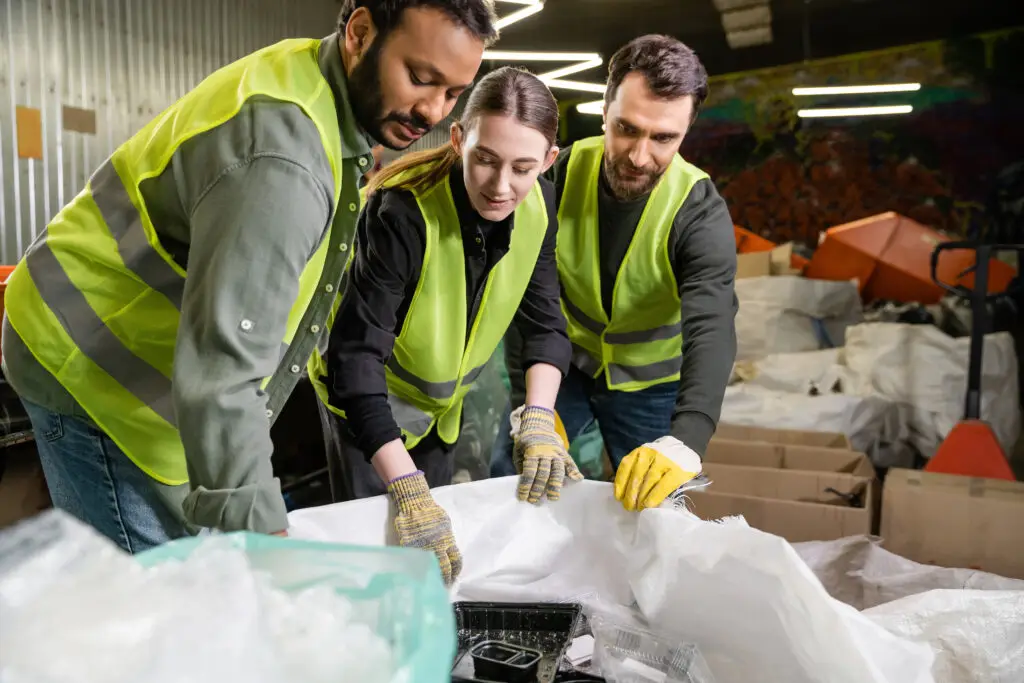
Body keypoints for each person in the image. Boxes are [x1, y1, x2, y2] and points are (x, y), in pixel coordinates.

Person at [0, 0, 498, 554]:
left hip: (149, 359)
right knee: (154, 605)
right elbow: (224, 374)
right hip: (88, 360)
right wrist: (264, 538)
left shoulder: (314, 82)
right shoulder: (284, 161)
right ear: (360, 33)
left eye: (453, 94)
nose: (433, 110)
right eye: (420, 78)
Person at [317, 66, 577, 584]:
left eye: (523, 168)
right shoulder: (402, 213)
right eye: (484, 159)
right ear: (458, 139)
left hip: (439, 414)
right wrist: (404, 485)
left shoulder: (540, 205)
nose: (501, 187)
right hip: (364, 409)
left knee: (432, 556)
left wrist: (540, 418)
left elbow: (544, 320)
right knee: (374, 558)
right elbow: (356, 360)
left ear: (548, 161)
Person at [495, 34, 738, 512]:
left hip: (652, 387)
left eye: (663, 138)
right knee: (520, 483)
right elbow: (524, 290)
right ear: (604, 110)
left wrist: (687, 439)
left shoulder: (700, 213)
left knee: (654, 512)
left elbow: (712, 328)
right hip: (564, 365)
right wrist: (531, 403)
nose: (639, 155)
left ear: (685, 133)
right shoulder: (556, 176)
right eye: (626, 128)